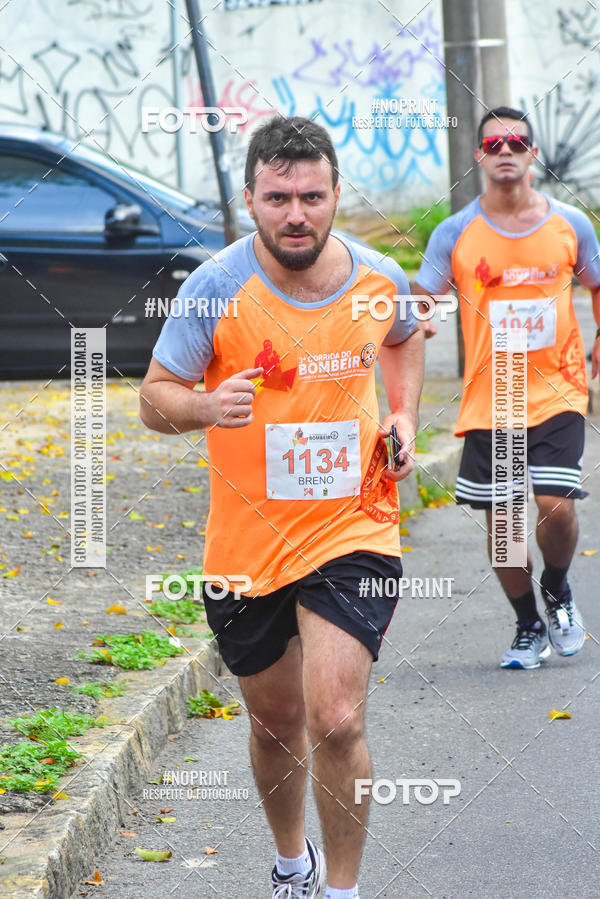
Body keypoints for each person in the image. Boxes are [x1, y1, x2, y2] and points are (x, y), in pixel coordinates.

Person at [140, 115, 424, 898]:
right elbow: (152, 401)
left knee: (333, 715)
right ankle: (290, 862)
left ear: (337, 195)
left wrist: (401, 417)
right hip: (247, 545)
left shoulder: (379, 278)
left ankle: (343, 888)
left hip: (354, 529)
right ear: (250, 198)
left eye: (311, 196)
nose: (295, 213)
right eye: (277, 198)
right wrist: (203, 407)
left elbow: (403, 337)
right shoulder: (216, 288)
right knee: (276, 723)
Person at [413, 105, 600, 670]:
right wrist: (419, 317)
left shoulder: (571, 225)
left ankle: (560, 591)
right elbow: (425, 298)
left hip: (559, 389)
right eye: (494, 144)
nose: (505, 152)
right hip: (491, 399)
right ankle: (528, 626)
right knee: (504, 527)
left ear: (533, 155)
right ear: (479, 157)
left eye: (517, 143)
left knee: (554, 506)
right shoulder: (456, 232)